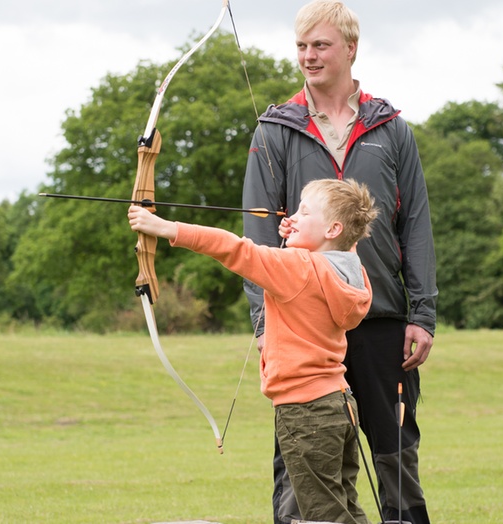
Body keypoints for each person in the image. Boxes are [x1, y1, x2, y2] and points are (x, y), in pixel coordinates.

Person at [241, 1, 438, 523]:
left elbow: (415, 223)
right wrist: (263, 325)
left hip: (382, 322)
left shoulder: (391, 128)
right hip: (302, 329)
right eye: (302, 46)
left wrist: (422, 314)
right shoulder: (275, 129)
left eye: (320, 45)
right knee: (301, 455)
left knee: (395, 450)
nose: (309, 56)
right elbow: (257, 237)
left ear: (351, 48)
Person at [129, 178, 378, 524]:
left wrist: (164, 227)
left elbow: (233, 248)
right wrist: (305, 233)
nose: (292, 216)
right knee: (343, 506)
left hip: (305, 411)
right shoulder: (352, 273)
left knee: (323, 514)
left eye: (303, 211)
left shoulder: (297, 269)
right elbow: (338, 249)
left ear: (333, 227)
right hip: (338, 405)